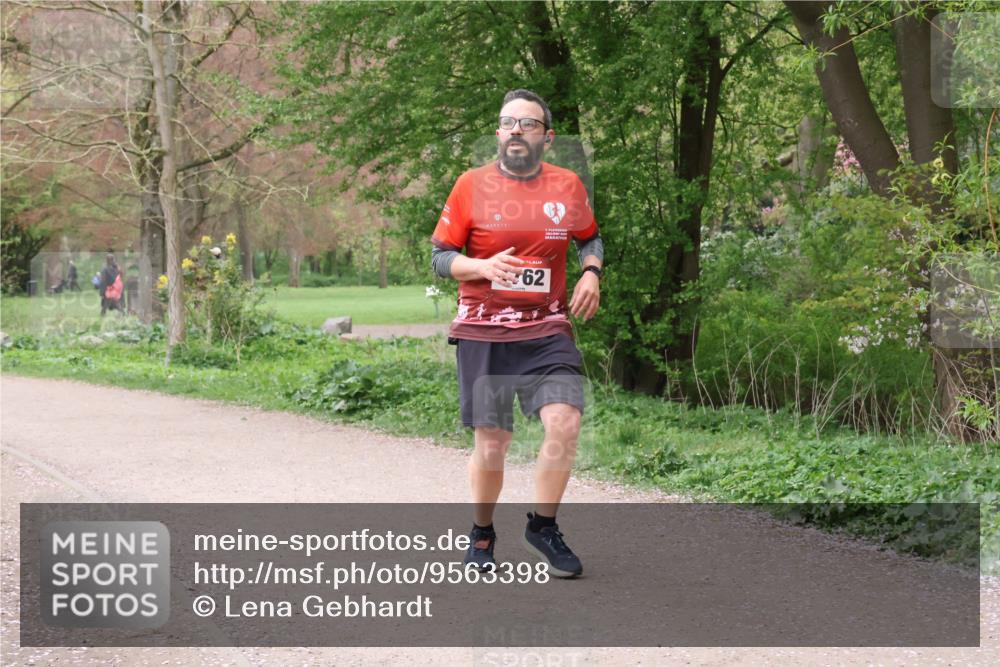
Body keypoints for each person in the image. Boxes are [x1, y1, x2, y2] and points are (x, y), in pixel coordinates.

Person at [430, 89, 604, 578]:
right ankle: (482, 530)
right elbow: (441, 258)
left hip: (547, 326)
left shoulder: (567, 185)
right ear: (497, 133)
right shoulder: (471, 185)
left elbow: (590, 236)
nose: (515, 131)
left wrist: (591, 272)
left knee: (565, 422)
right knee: (493, 442)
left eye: (527, 124)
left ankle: (543, 526)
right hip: (484, 329)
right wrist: (483, 265)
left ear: (546, 137)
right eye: (507, 123)